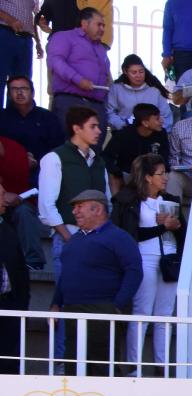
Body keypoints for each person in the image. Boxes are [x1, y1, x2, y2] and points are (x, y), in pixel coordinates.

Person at [108, 155, 181, 375]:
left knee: (165, 315)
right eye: (161, 174)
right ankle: (134, 368)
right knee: (142, 312)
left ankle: (162, 366)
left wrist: (176, 225)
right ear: (148, 177)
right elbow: (130, 235)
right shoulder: (128, 200)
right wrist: (162, 227)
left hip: (169, 260)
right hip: (143, 260)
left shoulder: (170, 199)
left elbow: (181, 231)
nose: (165, 178)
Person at [52, 189, 141, 369]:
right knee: (73, 364)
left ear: (98, 209)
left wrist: (116, 305)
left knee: (102, 365)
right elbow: (66, 274)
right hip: (72, 309)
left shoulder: (119, 237)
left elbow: (134, 272)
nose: (74, 212)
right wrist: (56, 303)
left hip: (102, 309)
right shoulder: (74, 240)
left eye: (80, 207)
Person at [41, 107, 110, 275]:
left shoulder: (99, 162)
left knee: (93, 297)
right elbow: (46, 206)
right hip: (69, 236)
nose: (99, 131)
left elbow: (107, 200)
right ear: (77, 128)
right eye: (92, 126)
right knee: (67, 298)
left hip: (97, 240)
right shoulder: (55, 158)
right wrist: (68, 238)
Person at [47, 8, 109, 135]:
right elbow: (56, 62)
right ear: (85, 23)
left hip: (97, 105)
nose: (102, 29)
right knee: (69, 148)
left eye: (104, 25)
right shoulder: (64, 37)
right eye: (99, 24)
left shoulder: (101, 48)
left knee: (93, 151)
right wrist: (78, 80)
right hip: (71, 102)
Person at [103, 103, 169, 195]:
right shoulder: (124, 134)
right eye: (157, 119)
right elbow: (106, 155)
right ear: (145, 123)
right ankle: (117, 204)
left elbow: (165, 156)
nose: (161, 121)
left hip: (152, 173)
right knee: (113, 176)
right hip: (128, 173)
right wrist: (116, 171)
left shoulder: (161, 134)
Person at [107, 54, 171, 131]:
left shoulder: (155, 90)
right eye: (134, 72)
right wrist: (122, 126)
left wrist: (159, 129)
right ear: (125, 72)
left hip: (152, 132)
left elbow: (166, 115)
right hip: (124, 131)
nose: (138, 75)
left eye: (141, 71)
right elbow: (110, 112)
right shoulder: (116, 88)